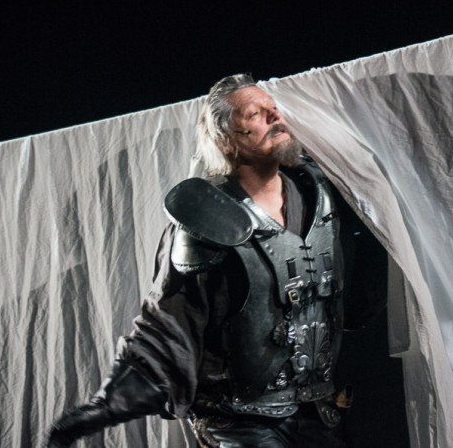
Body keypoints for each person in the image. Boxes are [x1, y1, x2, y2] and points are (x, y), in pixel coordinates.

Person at [46, 74, 382, 447]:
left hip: (320, 409)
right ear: (225, 139)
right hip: (241, 420)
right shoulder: (207, 219)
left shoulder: (323, 196)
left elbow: (350, 298)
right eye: (255, 114)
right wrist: (105, 408)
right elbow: (168, 324)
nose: (275, 117)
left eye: (274, 108)